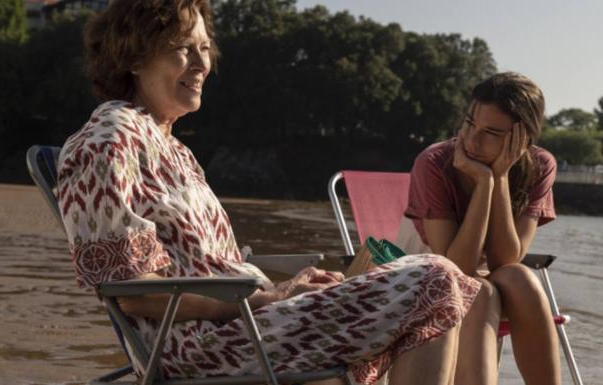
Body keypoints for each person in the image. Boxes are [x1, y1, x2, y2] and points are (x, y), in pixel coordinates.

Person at [57, 1, 481, 384]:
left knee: (445, 282)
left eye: (205, 49)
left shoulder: (175, 150)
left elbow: (211, 266)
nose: (202, 63)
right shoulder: (109, 140)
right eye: (183, 48)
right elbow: (135, 293)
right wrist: (265, 298)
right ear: (134, 55)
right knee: (436, 277)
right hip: (197, 347)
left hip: (244, 323)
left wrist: (287, 289)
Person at [405, 72, 560, 385]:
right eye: (469, 123)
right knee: (481, 291)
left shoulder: (540, 166)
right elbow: (456, 267)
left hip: (486, 276)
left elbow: (506, 261)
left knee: (522, 278)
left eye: (491, 132)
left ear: (522, 139)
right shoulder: (434, 162)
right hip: (423, 273)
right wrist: (484, 183)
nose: (472, 140)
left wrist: (499, 178)